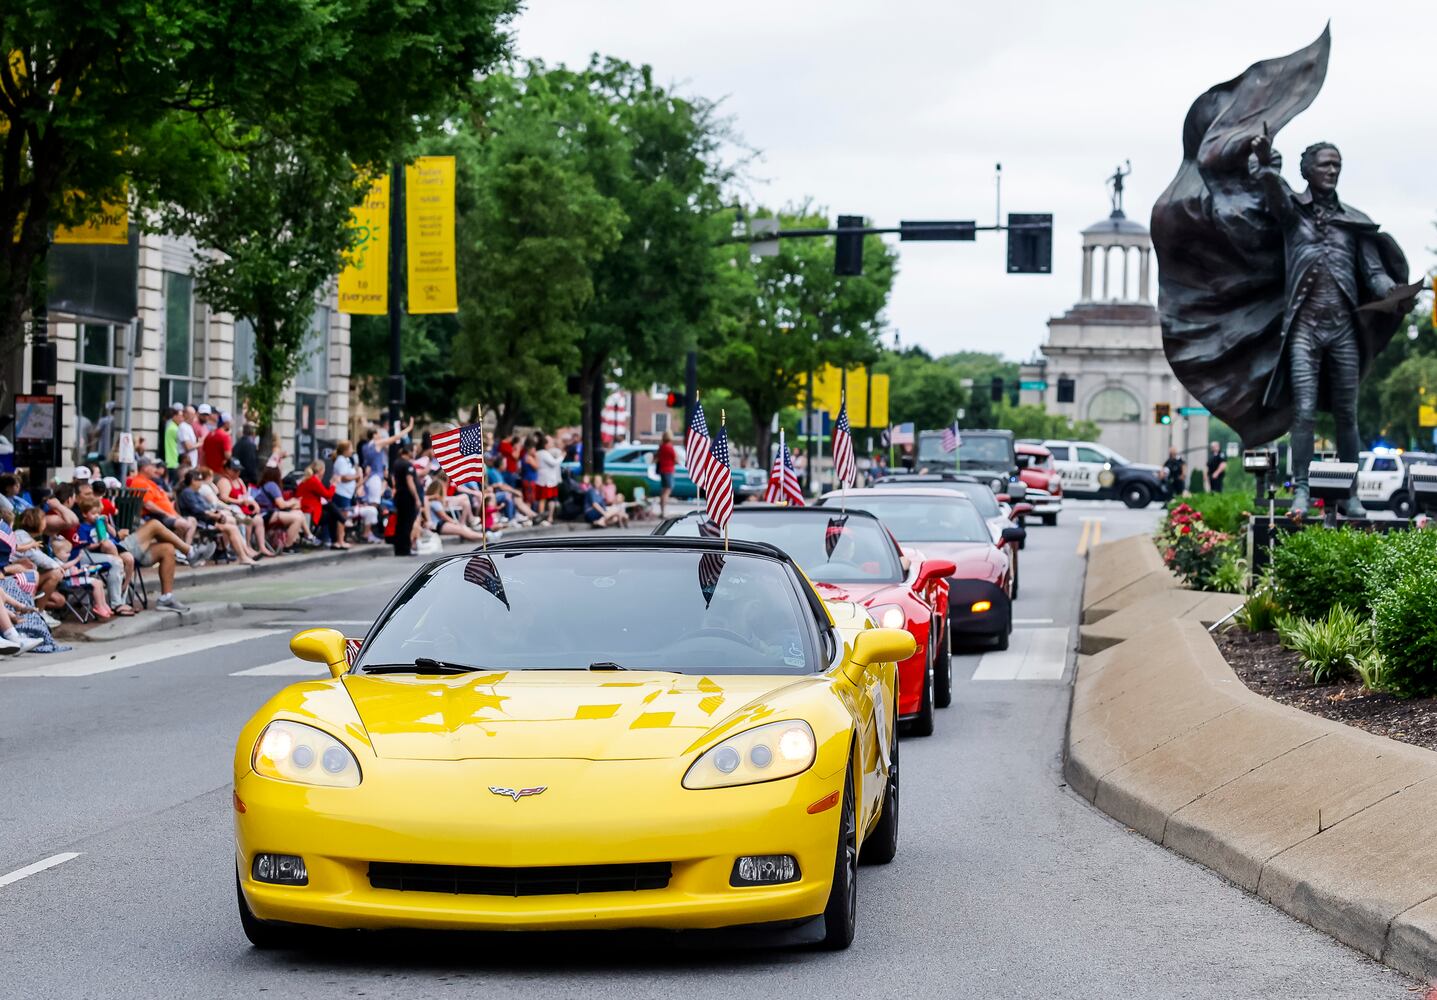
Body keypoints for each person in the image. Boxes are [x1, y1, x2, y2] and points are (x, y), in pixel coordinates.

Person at [178, 470, 259, 564]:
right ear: (193, 480)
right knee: (234, 524)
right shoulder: (188, 492)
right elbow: (198, 510)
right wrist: (215, 515)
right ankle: (241, 554)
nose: (201, 482)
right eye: (199, 479)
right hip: (201, 521)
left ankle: (242, 553)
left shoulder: (195, 492)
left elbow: (208, 506)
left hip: (208, 518)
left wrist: (217, 513)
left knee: (236, 522)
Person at [127, 456, 201, 550]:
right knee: (186, 524)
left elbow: (164, 501)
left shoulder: (150, 482)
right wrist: (167, 514)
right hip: (156, 517)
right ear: (145, 468)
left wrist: (175, 515)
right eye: (153, 466)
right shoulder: (139, 482)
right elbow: (148, 505)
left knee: (192, 520)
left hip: (167, 515)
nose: (156, 469)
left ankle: (185, 551)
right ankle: (185, 550)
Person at [251, 466, 306, 550]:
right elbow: (281, 505)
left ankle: (297, 539)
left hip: (266, 513)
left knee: (299, 513)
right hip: (266, 514)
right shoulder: (272, 485)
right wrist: (293, 501)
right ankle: (288, 546)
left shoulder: (265, 484)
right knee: (297, 519)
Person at [297, 460, 348, 549]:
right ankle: (338, 536)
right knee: (332, 513)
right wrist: (334, 484)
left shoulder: (309, 479)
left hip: (308, 509)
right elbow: (328, 495)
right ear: (321, 470)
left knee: (331, 510)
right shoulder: (313, 480)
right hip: (310, 511)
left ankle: (337, 537)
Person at [390, 443, 421, 556]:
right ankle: (405, 548)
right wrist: (417, 498)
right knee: (407, 523)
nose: (415, 453)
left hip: (399, 495)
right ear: (408, 452)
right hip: (407, 497)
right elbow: (410, 481)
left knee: (400, 522)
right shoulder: (407, 464)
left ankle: (399, 548)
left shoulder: (397, 462)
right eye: (414, 450)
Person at [536, 435, 564, 524]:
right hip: (547, 481)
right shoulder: (544, 453)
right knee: (546, 499)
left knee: (544, 499)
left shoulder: (538, 453)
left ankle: (543, 516)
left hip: (542, 479)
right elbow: (554, 463)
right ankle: (546, 517)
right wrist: (562, 457)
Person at [655, 430, 677, 517]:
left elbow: (656, 457)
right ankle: (663, 511)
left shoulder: (661, 447)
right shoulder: (669, 447)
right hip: (669, 470)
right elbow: (675, 459)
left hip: (662, 470)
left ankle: (662, 511)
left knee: (663, 491)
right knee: (667, 491)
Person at [163, 403, 185, 483]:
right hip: (173, 461)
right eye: (181, 416)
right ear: (174, 416)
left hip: (172, 462)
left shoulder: (171, 426)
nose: (182, 419)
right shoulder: (174, 428)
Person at [178, 404, 201, 471]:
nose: (194, 416)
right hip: (186, 464)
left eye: (194, 414)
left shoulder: (189, 426)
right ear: (185, 414)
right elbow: (188, 447)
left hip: (192, 463)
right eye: (192, 414)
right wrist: (199, 443)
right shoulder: (183, 427)